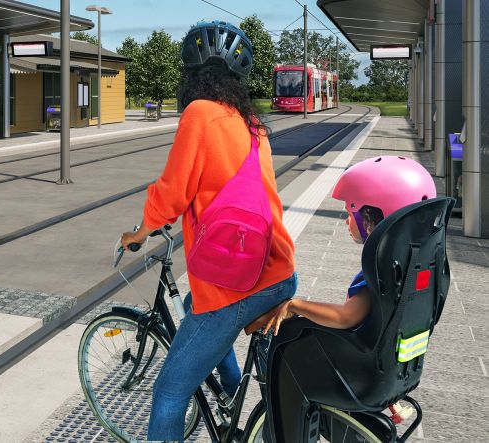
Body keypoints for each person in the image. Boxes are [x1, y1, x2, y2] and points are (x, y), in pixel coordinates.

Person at [120, 21, 296, 441]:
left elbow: (172, 195)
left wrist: (140, 232)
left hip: (236, 282)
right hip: (277, 271)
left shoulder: (199, 113)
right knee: (209, 328)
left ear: (192, 74)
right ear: (236, 78)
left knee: (169, 390)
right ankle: (236, 417)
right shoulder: (249, 121)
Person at [262, 155, 438, 336]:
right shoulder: (417, 261)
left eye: (351, 213)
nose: (347, 221)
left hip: (357, 359)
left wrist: (295, 305)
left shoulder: (382, 270)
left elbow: (346, 317)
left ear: (371, 218)